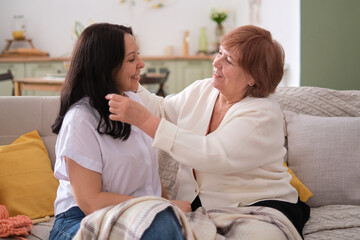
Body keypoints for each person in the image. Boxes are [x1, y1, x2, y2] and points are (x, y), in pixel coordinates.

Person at [106, 25, 310, 239]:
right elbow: (163, 110)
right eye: (220, 52)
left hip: (255, 205)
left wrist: (146, 121)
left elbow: (212, 154)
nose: (216, 62)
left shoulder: (263, 112)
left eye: (228, 60)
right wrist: (130, 83)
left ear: (253, 77)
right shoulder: (204, 89)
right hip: (199, 207)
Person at [49, 23, 189, 240]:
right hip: (80, 220)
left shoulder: (132, 101)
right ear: (106, 66)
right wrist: (164, 205)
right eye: (131, 59)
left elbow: (149, 172)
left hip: (137, 213)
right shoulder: (81, 119)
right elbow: (90, 202)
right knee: (160, 227)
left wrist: (167, 208)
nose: (141, 64)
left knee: (168, 225)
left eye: (138, 56)